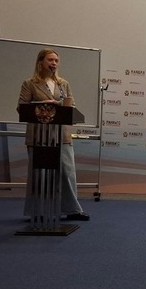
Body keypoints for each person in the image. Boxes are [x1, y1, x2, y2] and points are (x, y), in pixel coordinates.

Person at [18, 48, 89, 221]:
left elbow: (71, 106)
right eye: (50, 60)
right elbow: (21, 107)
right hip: (39, 136)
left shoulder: (63, 84)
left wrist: (59, 104)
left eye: (56, 61)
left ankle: (72, 210)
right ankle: (38, 211)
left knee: (67, 172)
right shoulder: (30, 83)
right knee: (39, 174)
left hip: (61, 134)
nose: (54, 63)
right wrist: (44, 103)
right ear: (41, 62)